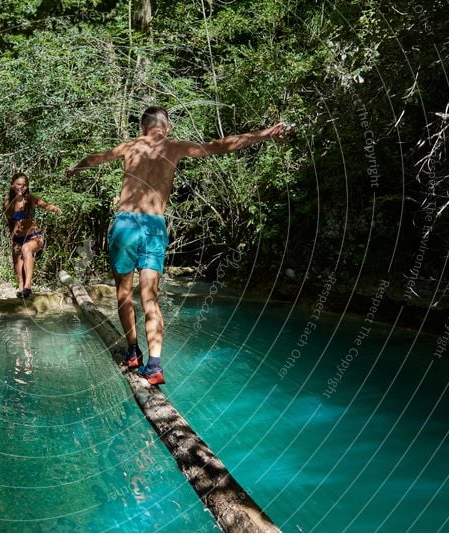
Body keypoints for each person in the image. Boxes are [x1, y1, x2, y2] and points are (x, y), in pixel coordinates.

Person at [66, 107, 285, 384]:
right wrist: (264, 134)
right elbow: (222, 145)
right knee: (150, 297)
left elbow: (96, 159)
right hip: (154, 226)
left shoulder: (130, 146)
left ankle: (133, 352)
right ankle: (155, 365)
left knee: (123, 293)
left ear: (143, 128)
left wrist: (76, 167)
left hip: (126, 225)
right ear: (167, 128)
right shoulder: (175, 147)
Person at [3, 173, 62, 298]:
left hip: (35, 236)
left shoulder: (30, 199)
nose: (21, 187)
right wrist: (13, 240)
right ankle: (21, 286)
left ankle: (28, 286)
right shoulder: (8, 204)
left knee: (26, 248)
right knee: (17, 261)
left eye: (24, 185)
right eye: (19, 184)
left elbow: (45, 205)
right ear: (12, 185)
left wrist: (55, 209)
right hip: (18, 238)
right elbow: (10, 223)